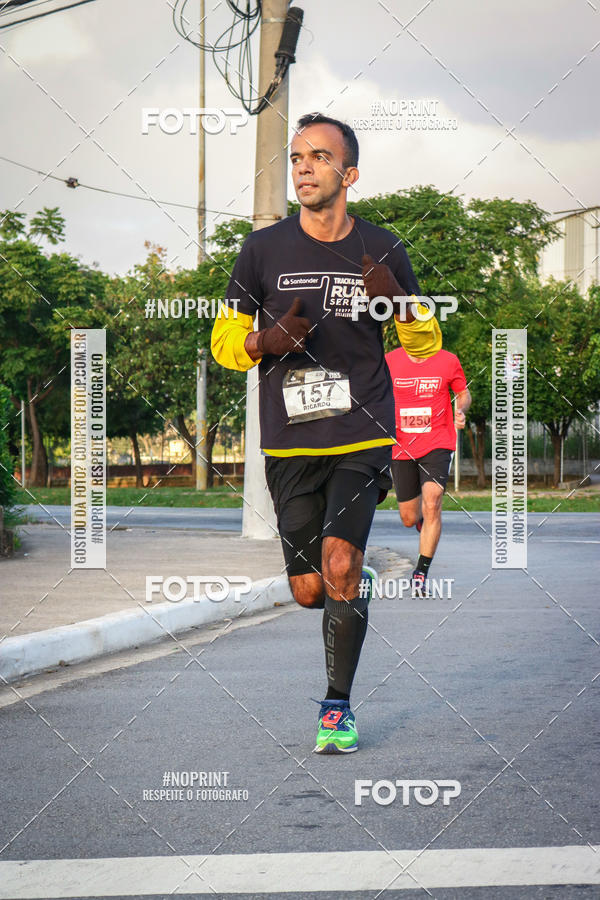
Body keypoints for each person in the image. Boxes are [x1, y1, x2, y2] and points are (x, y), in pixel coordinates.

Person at [211, 112, 440, 753]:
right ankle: (337, 597)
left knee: (341, 565)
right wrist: (265, 339)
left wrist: (397, 302)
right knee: (310, 588)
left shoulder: (383, 246)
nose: (304, 167)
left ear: (350, 173)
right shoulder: (262, 249)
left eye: (318, 156)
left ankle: (336, 708)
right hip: (290, 441)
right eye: (296, 158)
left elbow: (422, 341)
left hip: (361, 431)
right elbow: (225, 340)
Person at [385, 341, 471, 596]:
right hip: (400, 445)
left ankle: (420, 572)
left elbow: (463, 393)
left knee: (432, 502)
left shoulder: (448, 360)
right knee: (409, 517)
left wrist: (461, 409)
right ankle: (421, 520)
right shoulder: (389, 360)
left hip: (438, 441)